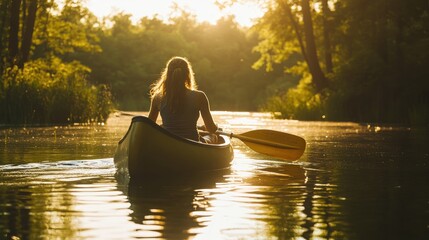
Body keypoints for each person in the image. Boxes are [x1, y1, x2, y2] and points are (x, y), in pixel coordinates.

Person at [148, 56, 219, 143]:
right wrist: (216, 126)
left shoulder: (158, 98)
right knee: (213, 135)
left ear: (167, 75)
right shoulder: (199, 96)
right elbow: (211, 129)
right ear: (187, 75)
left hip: (167, 143)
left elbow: (149, 128)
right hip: (193, 142)